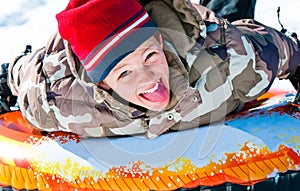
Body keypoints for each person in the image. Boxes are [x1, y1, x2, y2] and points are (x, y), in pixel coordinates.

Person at [8, 0, 300, 138]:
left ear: (160, 40)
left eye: (150, 56)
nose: (148, 78)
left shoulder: (234, 61)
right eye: (124, 72)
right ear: (104, 86)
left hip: (198, 41)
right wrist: (6, 81)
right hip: (82, 45)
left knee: (227, 17)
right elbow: (23, 75)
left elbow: (284, 49)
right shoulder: (55, 99)